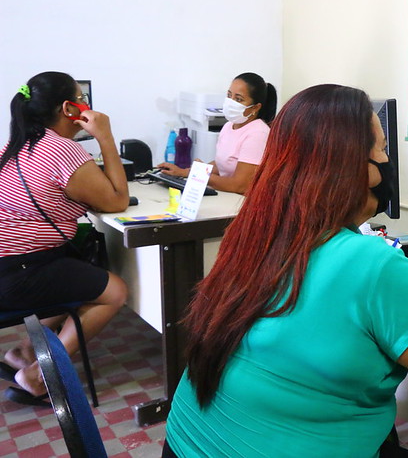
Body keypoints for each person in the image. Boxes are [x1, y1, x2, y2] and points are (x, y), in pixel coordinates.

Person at [162, 84, 408, 458]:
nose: (387, 162)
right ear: (352, 168)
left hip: (184, 445)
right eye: (381, 150)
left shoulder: (253, 233)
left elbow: (307, 317)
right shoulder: (373, 261)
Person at [0, 72, 129, 406]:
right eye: (80, 99)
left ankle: (25, 351)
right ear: (69, 107)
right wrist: (105, 137)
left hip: (9, 268)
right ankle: (38, 376)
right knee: (114, 291)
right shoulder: (63, 151)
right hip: (22, 272)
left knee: (77, 276)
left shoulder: (13, 146)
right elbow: (116, 201)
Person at [158, 72, 277, 194]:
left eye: (239, 99)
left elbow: (240, 185)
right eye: (229, 95)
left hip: (243, 202)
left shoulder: (258, 133)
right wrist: (184, 172)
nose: (231, 102)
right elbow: (223, 165)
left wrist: (197, 174)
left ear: (255, 107)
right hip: (226, 196)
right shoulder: (228, 126)